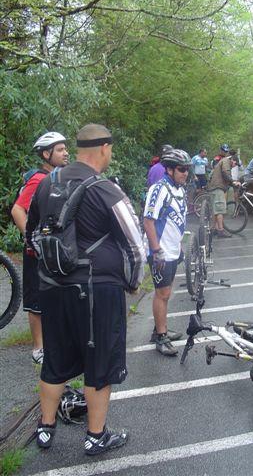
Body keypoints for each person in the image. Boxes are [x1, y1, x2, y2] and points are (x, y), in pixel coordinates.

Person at [26, 124, 146, 455]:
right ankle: (96, 436)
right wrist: (134, 281)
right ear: (104, 148)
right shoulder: (106, 189)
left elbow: (32, 234)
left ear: (79, 149)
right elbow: (136, 244)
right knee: (99, 363)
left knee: (55, 359)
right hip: (96, 290)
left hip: (53, 287)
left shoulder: (47, 183)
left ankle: (45, 428)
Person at [11, 132, 69, 364]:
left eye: (65, 148)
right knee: (36, 299)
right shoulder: (39, 179)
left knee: (54, 293)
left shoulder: (56, 176)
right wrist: (31, 237)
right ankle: (38, 348)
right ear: (47, 154)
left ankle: (53, 341)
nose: (66, 153)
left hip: (52, 248)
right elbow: (17, 210)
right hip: (37, 249)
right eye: (60, 149)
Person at [143, 149, 190, 356]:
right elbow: (148, 220)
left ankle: (159, 328)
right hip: (160, 251)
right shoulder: (158, 189)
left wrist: (179, 246)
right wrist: (156, 250)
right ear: (169, 169)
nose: (185, 173)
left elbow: (175, 221)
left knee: (166, 293)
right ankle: (160, 337)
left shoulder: (179, 189)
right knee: (162, 293)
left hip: (172, 249)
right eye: (181, 169)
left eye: (187, 169)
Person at [207, 153, 241, 238]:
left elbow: (226, 177)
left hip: (214, 187)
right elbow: (226, 173)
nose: (234, 166)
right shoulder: (226, 161)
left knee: (215, 210)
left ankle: (212, 229)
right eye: (235, 164)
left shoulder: (224, 161)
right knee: (220, 209)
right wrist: (233, 182)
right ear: (232, 160)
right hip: (218, 187)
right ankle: (220, 230)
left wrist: (233, 183)